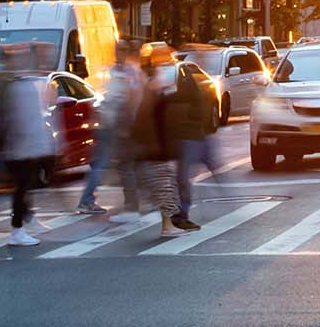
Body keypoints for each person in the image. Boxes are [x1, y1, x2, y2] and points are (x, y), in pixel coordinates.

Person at [0, 44, 59, 246]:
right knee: (22, 187)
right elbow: (14, 118)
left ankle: (26, 220)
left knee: (26, 185)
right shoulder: (16, 86)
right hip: (21, 147)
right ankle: (17, 230)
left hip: (27, 145)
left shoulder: (24, 83)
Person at [78, 41, 144, 216]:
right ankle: (89, 200)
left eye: (122, 49)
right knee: (106, 164)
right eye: (117, 49)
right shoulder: (116, 71)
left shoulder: (127, 71)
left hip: (116, 124)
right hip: (111, 125)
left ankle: (130, 202)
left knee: (115, 164)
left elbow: (131, 98)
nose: (118, 53)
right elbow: (111, 97)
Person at [131, 46, 183, 235]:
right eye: (166, 58)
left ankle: (168, 224)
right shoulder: (152, 86)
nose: (170, 62)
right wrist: (152, 143)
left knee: (166, 184)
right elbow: (147, 116)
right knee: (164, 184)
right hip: (156, 146)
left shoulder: (157, 84)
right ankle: (167, 226)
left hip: (159, 144)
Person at [167, 57, 217, 231]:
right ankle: (179, 213)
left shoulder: (175, 97)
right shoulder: (183, 96)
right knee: (182, 178)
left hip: (189, 141)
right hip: (190, 140)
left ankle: (180, 214)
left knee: (182, 178)